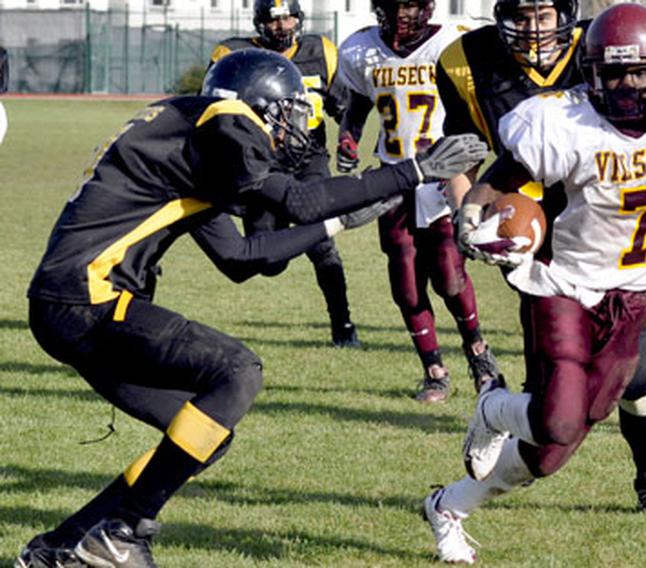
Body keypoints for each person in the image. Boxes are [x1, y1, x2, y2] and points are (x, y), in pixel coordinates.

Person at [16, 49, 486, 568]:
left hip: (70, 303)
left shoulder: (190, 133)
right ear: (257, 104)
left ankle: (57, 550)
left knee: (199, 436)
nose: (292, 128)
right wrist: (413, 171)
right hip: (88, 299)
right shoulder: (224, 121)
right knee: (237, 371)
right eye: (286, 113)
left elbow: (243, 257)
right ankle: (124, 533)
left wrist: (340, 223)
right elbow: (299, 204)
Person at [423, 4, 646, 563]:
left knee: (547, 455)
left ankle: (448, 505)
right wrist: (471, 221)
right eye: (612, 74)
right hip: (564, 284)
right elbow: (499, 180)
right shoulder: (562, 121)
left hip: (632, 295)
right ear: (591, 73)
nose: (625, 85)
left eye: (638, 72)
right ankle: (495, 409)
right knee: (557, 419)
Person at [435, 0, 646, 516]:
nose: (533, 28)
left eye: (544, 14)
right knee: (557, 387)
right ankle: (491, 464)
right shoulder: (467, 59)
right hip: (532, 241)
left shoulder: (607, 43)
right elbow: (461, 156)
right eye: (521, 15)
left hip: (605, 229)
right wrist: (468, 216)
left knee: (634, 373)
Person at [335, 0, 501, 402]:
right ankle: (434, 370)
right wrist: (348, 135)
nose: (401, 15)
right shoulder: (361, 49)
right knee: (406, 280)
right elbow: (357, 102)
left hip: (443, 174)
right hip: (394, 175)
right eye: (393, 6)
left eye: (410, 5)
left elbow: (478, 104)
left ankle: (478, 352)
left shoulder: (454, 42)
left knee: (448, 271)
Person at [208, 0, 362, 348]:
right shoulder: (235, 53)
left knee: (323, 242)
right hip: (262, 165)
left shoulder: (319, 50)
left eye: (288, 17)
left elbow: (346, 106)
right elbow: (211, 107)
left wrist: (349, 137)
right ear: (259, 22)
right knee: (269, 260)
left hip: (309, 158)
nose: (282, 26)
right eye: (274, 20)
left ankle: (343, 325)